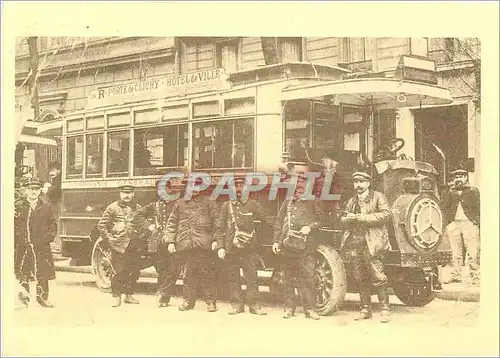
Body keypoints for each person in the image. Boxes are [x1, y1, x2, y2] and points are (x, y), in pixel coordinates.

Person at [340, 169, 392, 323]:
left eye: (361, 182)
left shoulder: (378, 197)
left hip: (373, 243)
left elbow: (386, 215)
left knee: (378, 275)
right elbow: (343, 219)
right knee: (360, 277)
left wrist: (362, 218)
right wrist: (347, 219)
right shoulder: (352, 201)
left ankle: (385, 310)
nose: (358, 185)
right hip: (356, 243)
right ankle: (365, 309)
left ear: (368, 183)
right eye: (356, 182)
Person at [215, 177, 272, 316]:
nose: (239, 189)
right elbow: (220, 228)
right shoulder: (226, 206)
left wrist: (277, 233)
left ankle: (254, 306)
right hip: (231, 248)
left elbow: (267, 220)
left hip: (249, 248)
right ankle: (236, 305)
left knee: (251, 277)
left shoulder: (253, 205)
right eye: (236, 186)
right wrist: (221, 246)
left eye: (241, 185)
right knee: (233, 277)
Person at [272, 173, 325, 320]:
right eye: (298, 184)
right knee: (288, 278)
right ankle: (289, 308)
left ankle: (310, 310)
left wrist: (310, 227)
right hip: (287, 245)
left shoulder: (314, 201)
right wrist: (276, 241)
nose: (300, 187)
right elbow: (279, 222)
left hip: (306, 246)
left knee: (307, 278)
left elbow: (321, 221)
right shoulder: (288, 202)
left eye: (304, 184)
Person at [164, 178, 219, 312]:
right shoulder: (180, 203)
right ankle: (188, 301)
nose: (194, 189)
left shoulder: (209, 203)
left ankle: (211, 302)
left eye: (197, 186)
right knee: (188, 275)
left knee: (207, 273)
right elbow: (172, 223)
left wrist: (216, 240)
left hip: (203, 245)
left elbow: (217, 222)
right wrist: (170, 241)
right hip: (186, 244)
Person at [98, 184, 148, 307]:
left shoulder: (137, 207)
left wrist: (142, 236)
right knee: (118, 271)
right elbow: (102, 225)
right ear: (120, 194)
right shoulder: (112, 207)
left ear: (133, 194)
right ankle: (116, 297)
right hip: (118, 244)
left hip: (134, 244)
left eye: (129, 193)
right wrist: (110, 239)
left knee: (134, 271)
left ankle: (128, 295)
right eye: (124, 193)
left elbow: (142, 223)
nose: (126, 195)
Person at [14, 178, 57, 308]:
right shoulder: (18, 206)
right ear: (26, 190)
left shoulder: (46, 206)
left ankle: (42, 297)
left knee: (42, 271)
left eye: (36, 189)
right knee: (22, 270)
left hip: (41, 245)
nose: (33, 192)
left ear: (40, 191)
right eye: (30, 189)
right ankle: (23, 297)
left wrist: (48, 238)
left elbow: (52, 224)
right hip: (23, 245)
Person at [142, 179, 181, 307]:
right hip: (158, 242)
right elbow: (136, 215)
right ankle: (163, 295)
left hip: (173, 242)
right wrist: (149, 226)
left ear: (170, 190)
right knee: (161, 269)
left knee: (174, 269)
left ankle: (163, 294)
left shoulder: (178, 204)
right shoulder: (155, 205)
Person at [441, 167, 480, 285]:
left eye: (461, 177)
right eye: (456, 177)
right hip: (454, 224)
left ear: (466, 178)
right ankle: (456, 275)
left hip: (469, 223)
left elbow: (479, 207)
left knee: (472, 251)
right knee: (455, 252)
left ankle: (476, 275)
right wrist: (448, 222)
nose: (458, 179)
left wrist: (476, 222)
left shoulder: (473, 191)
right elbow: (444, 207)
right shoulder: (451, 192)